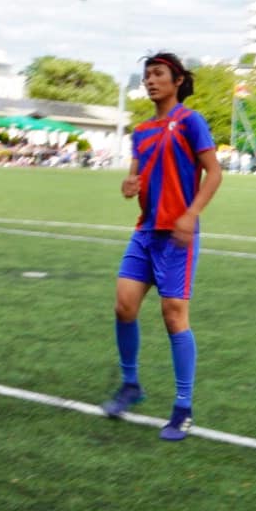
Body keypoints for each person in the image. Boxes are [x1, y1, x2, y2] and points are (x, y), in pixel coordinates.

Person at [100, 51, 222, 441]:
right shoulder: (141, 130)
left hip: (177, 235)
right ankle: (130, 385)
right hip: (146, 231)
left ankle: (183, 408)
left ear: (177, 81)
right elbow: (133, 179)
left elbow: (214, 173)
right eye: (147, 75)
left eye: (158, 74)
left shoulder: (191, 121)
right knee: (124, 304)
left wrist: (191, 214)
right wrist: (128, 186)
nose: (151, 80)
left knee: (174, 316)